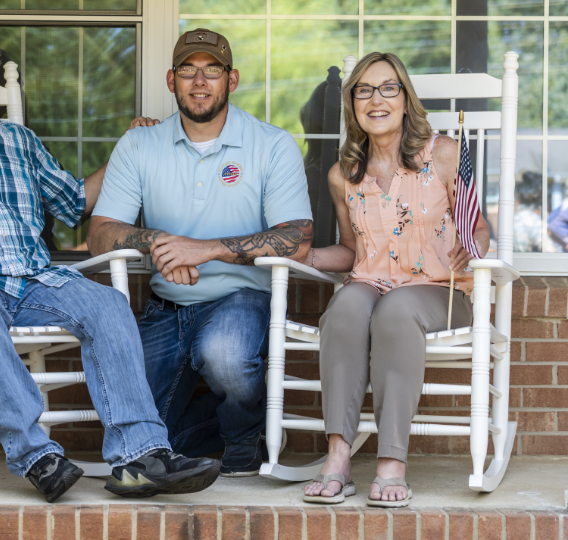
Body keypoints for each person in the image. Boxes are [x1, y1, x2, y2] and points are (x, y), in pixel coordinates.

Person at [0, 19, 220, 503]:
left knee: (107, 304)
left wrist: (128, 148)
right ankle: (36, 455)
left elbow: (74, 201)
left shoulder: (21, 142)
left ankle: (140, 457)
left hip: (30, 282)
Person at [86, 28, 323, 477]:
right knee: (141, 438)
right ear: (171, 80)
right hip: (166, 305)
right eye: (189, 71)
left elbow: (299, 235)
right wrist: (161, 246)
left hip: (242, 298)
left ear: (231, 80)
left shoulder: (271, 145)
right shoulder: (139, 145)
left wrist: (205, 250)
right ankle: (241, 421)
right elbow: (100, 233)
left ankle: (242, 435)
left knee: (225, 355)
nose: (199, 81)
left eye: (211, 70)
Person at [301, 52, 490, 507]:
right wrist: (307, 255)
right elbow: (353, 252)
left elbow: (478, 227)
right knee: (345, 306)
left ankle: (391, 461)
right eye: (364, 90)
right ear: (352, 104)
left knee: (395, 310)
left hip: (440, 292)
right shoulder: (342, 175)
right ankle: (339, 457)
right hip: (372, 283)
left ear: (406, 98)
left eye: (388, 88)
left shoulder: (443, 154)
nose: (376, 99)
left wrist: (475, 242)